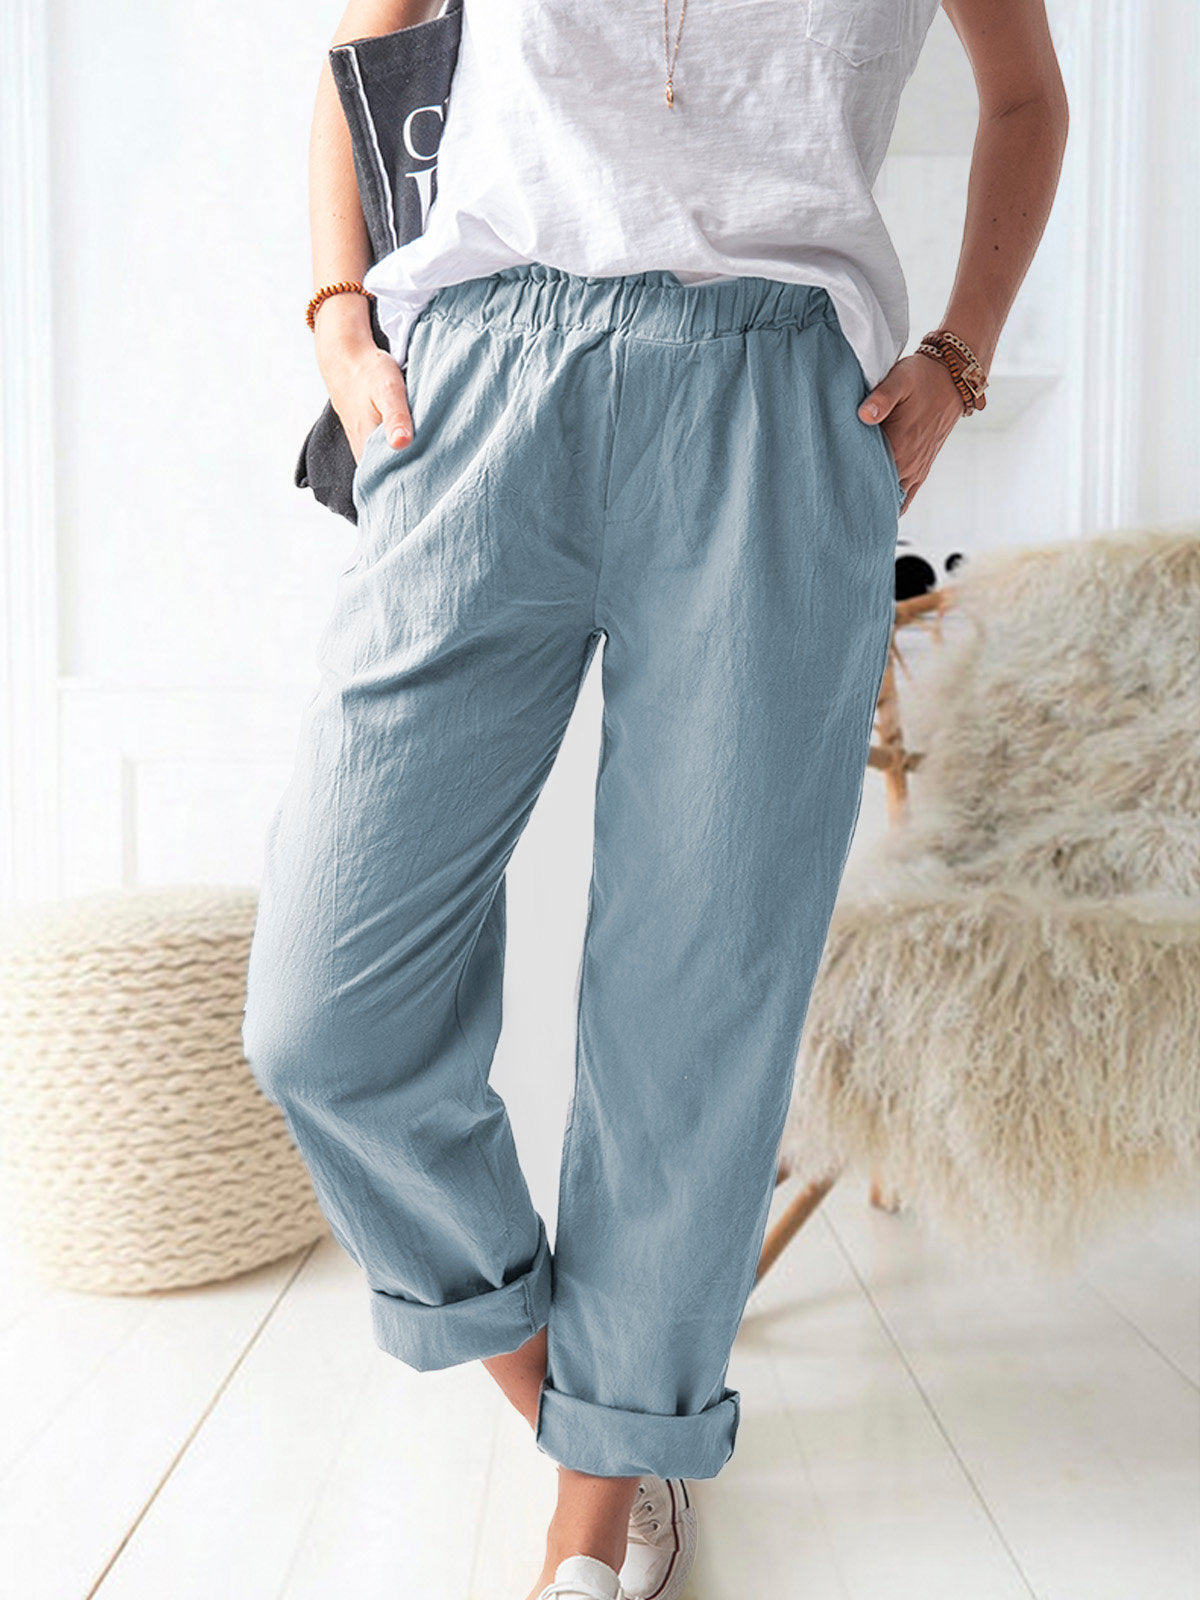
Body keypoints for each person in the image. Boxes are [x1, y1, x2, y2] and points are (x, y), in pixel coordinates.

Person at [242, 2, 1069, 1596]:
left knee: (694, 1022)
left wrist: (959, 356)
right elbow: (369, 37)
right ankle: (601, 1414)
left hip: (780, 410)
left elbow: (1025, 96)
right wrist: (341, 313)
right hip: (478, 387)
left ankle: (595, 1519)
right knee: (323, 1018)